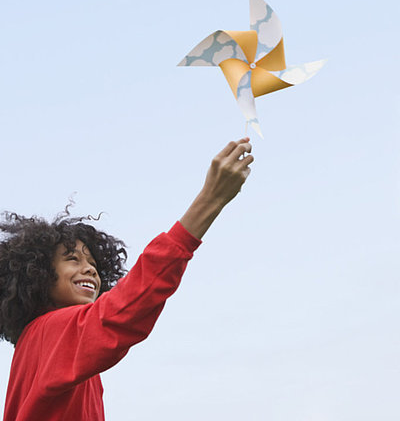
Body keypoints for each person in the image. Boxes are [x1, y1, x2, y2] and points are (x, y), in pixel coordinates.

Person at [0, 137, 253, 421]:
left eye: (93, 263)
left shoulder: (57, 346)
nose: (90, 270)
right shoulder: (48, 331)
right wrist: (211, 199)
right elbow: (121, 312)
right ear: (38, 276)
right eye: (73, 259)